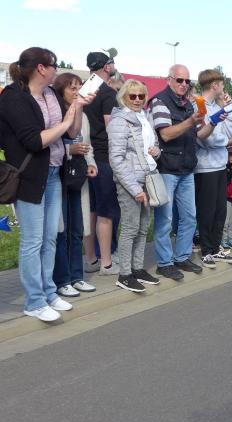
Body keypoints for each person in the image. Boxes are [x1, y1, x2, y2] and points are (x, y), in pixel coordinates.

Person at [0, 47, 90, 322]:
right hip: (28, 177)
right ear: (41, 68)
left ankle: (49, 292)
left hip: (53, 174)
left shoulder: (50, 94)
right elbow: (34, 141)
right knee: (32, 241)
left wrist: (77, 107)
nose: (56, 70)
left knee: (50, 237)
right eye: (53, 65)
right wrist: (65, 122)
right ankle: (34, 301)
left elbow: (72, 132)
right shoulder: (14, 98)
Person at [148, 64, 205, 280]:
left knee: (189, 217)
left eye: (187, 81)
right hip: (167, 167)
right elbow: (165, 134)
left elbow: (199, 134)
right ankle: (164, 263)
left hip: (186, 167)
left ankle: (182, 257)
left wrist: (214, 122)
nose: (184, 84)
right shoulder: (160, 101)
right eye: (179, 80)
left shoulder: (187, 104)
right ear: (169, 79)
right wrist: (190, 121)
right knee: (165, 219)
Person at [108, 80, 161, 292]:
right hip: (131, 182)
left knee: (143, 228)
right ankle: (124, 274)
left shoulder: (145, 117)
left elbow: (153, 145)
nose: (138, 100)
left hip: (147, 177)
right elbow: (116, 160)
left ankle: (137, 269)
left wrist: (157, 151)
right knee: (130, 228)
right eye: (133, 96)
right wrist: (135, 189)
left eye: (141, 96)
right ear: (123, 97)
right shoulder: (119, 121)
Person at [53, 72, 97, 298]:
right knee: (61, 231)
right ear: (61, 90)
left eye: (79, 87)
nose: (77, 91)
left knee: (77, 229)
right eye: (72, 88)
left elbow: (86, 143)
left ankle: (77, 277)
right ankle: (62, 280)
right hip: (59, 176)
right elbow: (54, 143)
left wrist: (91, 163)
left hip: (78, 177)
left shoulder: (83, 114)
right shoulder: (56, 112)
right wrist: (70, 149)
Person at [193, 69, 232, 268]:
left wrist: (226, 108)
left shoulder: (216, 106)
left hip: (220, 164)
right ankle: (206, 250)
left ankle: (216, 247)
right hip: (205, 167)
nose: (224, 89)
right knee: (207, 210)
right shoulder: (199, 105)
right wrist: (225, 142)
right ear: (215, 85)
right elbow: (205, 138)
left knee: (220, 210)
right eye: (222, 84)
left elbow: (231, 130)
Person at [83, 50, 121, 276]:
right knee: (105, 212)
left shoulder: (84, 89)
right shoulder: (106, 92)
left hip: (85, 156)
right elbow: (111, 127)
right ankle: (107, 263)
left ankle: (90, 259)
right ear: (107, 67)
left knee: (91, 210)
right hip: (104, 157)